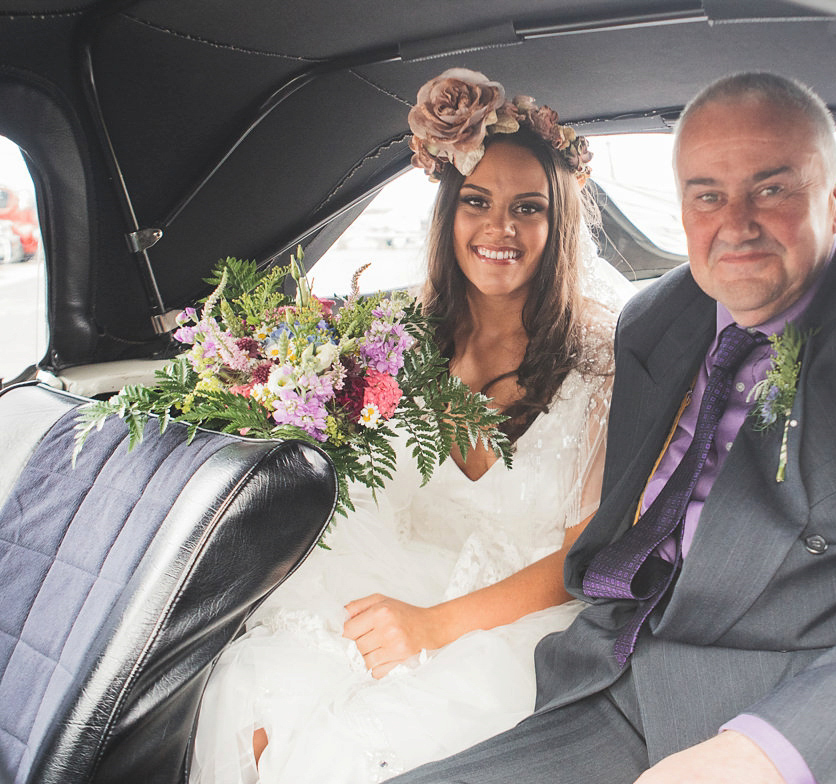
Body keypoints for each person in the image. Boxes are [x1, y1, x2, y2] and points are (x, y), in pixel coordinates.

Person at [387, 73, 836, 784]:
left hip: (785, 705)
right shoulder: (657, 320)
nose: (736, 222)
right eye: (708, 195)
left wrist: (766, 753)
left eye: (772, 189)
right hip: (603, 684)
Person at [189, 68, 632, 784]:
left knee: (345, 757)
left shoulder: (604, 364)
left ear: (559, 222)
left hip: (518, 623)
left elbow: (584, 555)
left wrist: (432, 627)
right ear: (448, 214)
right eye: (479, 202)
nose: (500, 229)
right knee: (259, 702)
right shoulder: (394, 339)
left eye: (528, 207)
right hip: (385, 578)